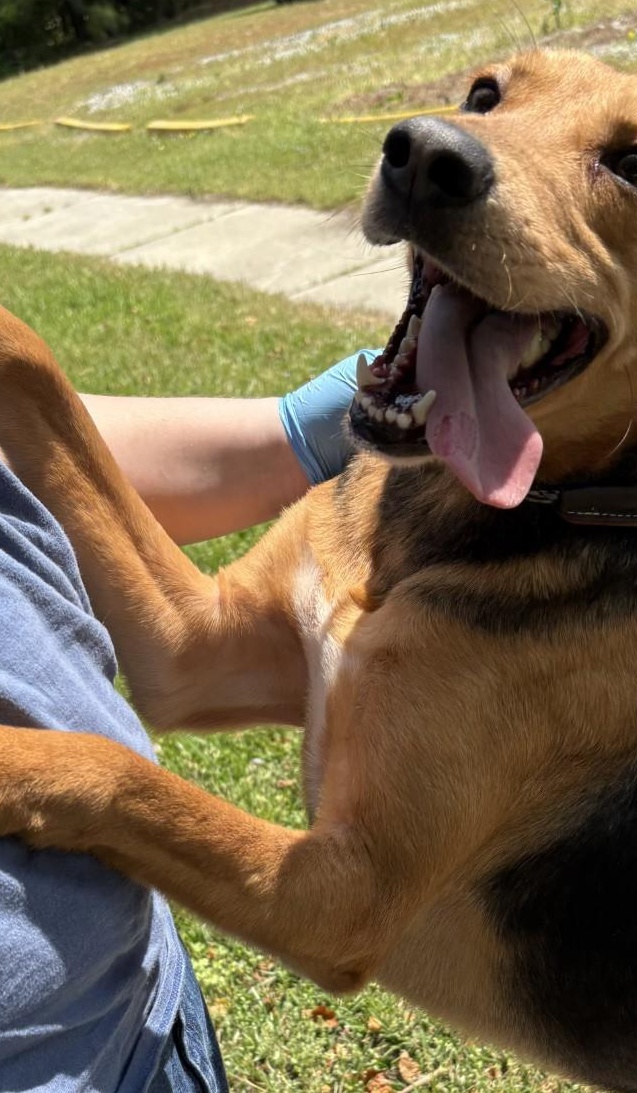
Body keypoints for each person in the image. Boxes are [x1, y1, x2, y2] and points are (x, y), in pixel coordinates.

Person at [0, 350, 374, 1093]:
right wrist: (99, 794)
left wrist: (291, 433)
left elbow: (191, 662)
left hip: (147, 1022)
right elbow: (342, 919)